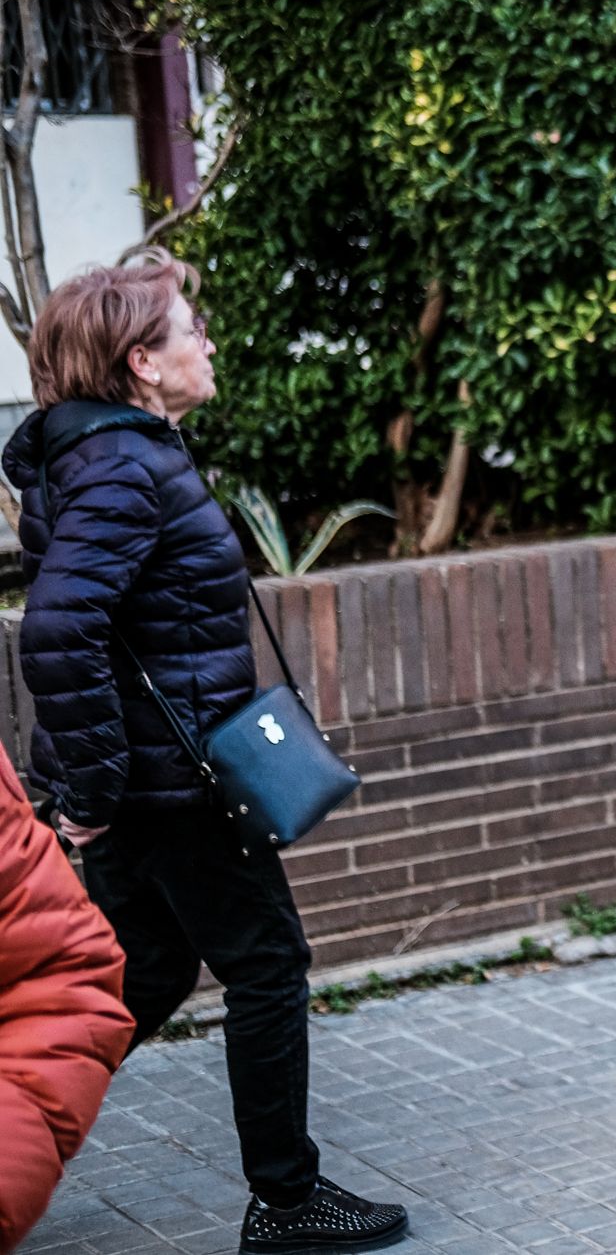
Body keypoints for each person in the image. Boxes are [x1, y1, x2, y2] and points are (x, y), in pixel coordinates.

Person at [1, 251, 409, 1254]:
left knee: (139, 976)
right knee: (267, 963)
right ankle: (287, 1199)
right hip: (172, 785)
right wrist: (92, 788)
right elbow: (56, 630)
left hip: (149, 775)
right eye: (190, 327)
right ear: (142, 362)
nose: (208, 341)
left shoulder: (107, 456)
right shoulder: (125, 468)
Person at [0, 736, 131, 1255]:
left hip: (167, 780)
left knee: (262, 964)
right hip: (149, 781)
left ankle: (286, 1198)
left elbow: (59, 981)